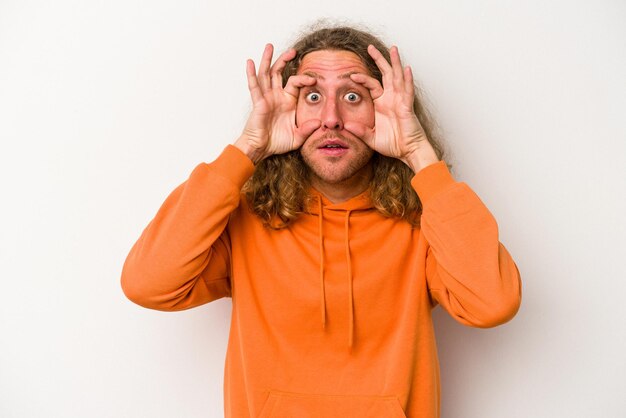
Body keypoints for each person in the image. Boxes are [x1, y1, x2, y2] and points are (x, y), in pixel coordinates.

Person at [121, 24, 521, 418]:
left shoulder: (427, 220)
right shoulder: (248, 218)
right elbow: (148, 284)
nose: (332, 118)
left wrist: (419, 154)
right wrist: (247, 149)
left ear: (385, 110)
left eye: (353, 96)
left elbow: (492, 304)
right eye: (312, 96)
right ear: (287, 109)